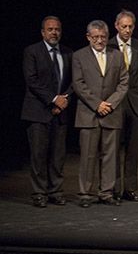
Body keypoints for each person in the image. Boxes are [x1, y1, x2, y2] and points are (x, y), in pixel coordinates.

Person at [72, 20, 129, 207]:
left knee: (110, 156)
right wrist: (97, 104)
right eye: (95, 37)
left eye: (103, 37)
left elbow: (123, 83)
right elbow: (78, 84)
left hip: (111, 114)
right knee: (88, 156)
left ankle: (106, 192)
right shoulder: (79, 56)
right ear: (88, 37)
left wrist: (109, 104)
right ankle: (85, 194)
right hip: (89, 114)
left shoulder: (117, 56)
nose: (99, 40)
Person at [22, 16, 72, 208]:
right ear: (43, 32)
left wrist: (63, 100)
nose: (54, 32)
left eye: (57, 29)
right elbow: (32, 80)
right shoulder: (32, 51)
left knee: (58, 155)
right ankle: (39, 193)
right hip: (37, 111)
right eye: (50, 29)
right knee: (38, 155)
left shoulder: (67, 53)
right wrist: (53, 99)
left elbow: (73, 81)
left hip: (61, 112)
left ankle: (56, 191)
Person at [107, 9, 138, 202]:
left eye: (130, 26)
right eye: (124, 26)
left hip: (135, 103)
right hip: (115, 103)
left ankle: (129, 188)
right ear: (116, 26)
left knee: (132, 148)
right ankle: (112, 187)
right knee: (113, 148)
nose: (127, 30)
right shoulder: (108, 46)